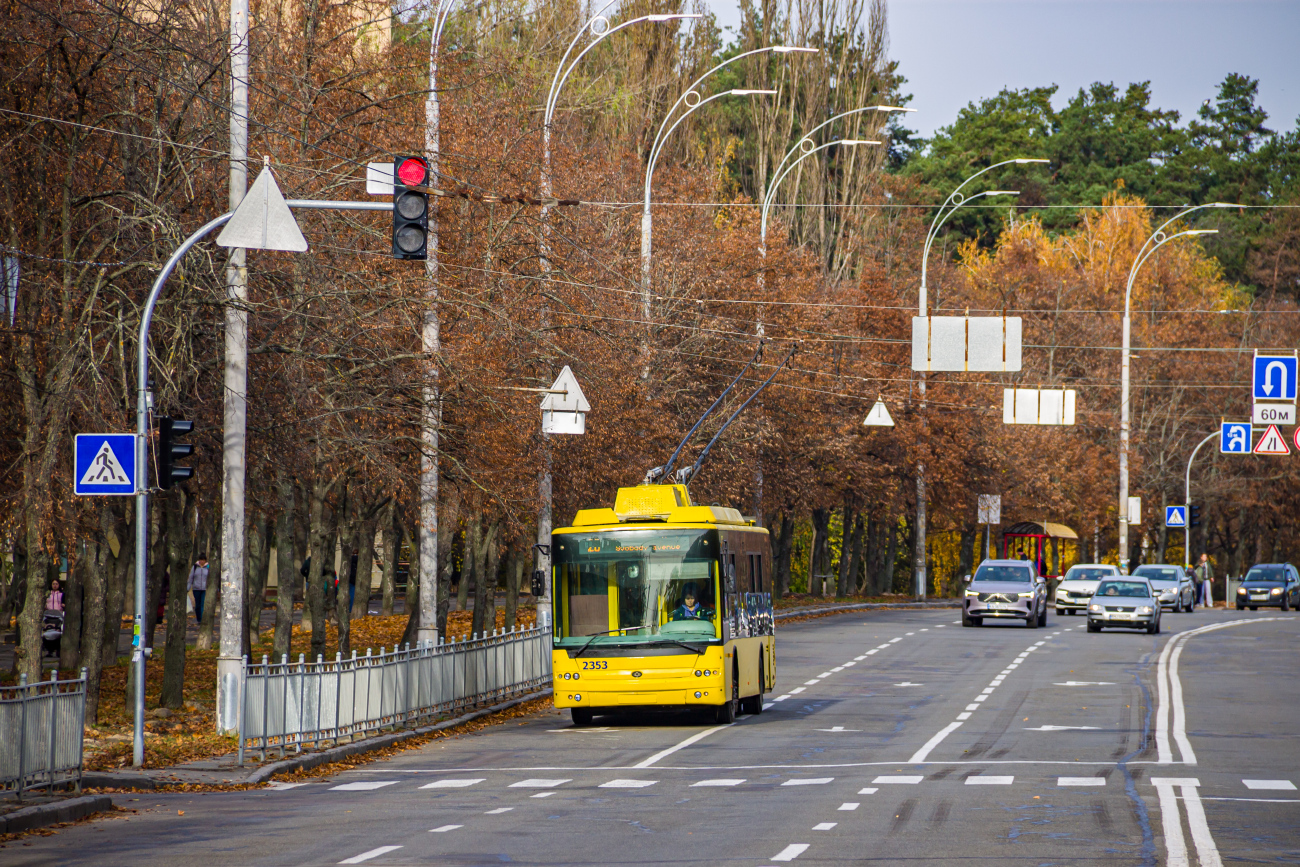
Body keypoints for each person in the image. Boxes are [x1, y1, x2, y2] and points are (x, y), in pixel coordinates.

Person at [188, 555, 210, 621]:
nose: (202, 561)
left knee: (202, 604)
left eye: (203, 560)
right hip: (196, 588)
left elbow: (210, 578)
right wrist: (188, 587)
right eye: (200, 560)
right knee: (197, 605)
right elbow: (191, 578)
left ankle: (202, 619)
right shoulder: (195, 567)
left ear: (205, 560)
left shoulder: (208, 567)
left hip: (205, 589)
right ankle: (198, 619)